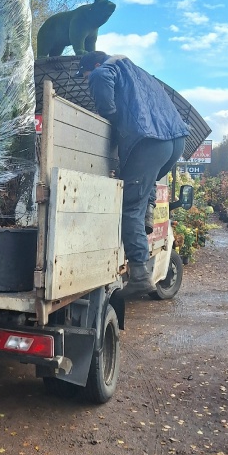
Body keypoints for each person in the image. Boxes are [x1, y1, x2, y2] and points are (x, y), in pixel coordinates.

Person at [76, 51, 190, 296]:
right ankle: (147, 215)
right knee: (145, 185)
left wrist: (109, 116)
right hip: (174, 141)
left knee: (129, 208)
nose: (86, 80)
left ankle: (139, 275)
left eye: (84, 75)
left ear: (95, 64)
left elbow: (99, 77)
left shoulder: (106, 68)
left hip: (149, 140)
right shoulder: (139, 74)